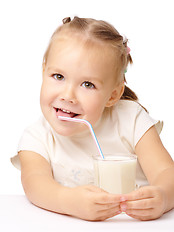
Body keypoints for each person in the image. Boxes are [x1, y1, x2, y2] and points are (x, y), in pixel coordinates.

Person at [11, 16, 174, 221]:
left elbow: (167, 172)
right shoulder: (37, 137)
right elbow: (35, 185)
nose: (68, 96)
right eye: (58, 76)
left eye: (87, 84)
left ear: (113, 95)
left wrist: (163, 197)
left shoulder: (131, 119)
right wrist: (70, 202)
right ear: (44, 71)